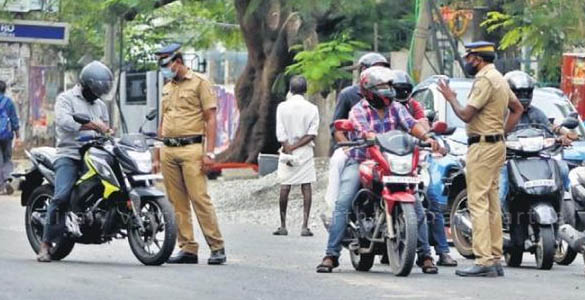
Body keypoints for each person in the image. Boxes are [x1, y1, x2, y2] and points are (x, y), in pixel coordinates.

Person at [316, 66, 443, 273]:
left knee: (418, 202)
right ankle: (331, 255)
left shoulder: (397, 108)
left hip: (393, 161)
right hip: (362, 160)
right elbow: (363, 130)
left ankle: (426, 255)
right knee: (343, 201)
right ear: (369, 90)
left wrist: (427, 138)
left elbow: (412, 125)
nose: (388, 90)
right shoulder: (358, 110)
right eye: (382, 86)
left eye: (389, 85)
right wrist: (368, 137)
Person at [438, 41, 524, 277]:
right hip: (496, 145)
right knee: (491, 201)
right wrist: (502, 133)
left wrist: (450, 97)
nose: (467, 62)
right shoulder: (499, 77)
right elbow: (517, 109)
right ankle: (494, 257)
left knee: (477, 201)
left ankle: (484, 260)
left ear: (477, 58)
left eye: (469, 58)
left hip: (482, 147)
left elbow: (466, 115)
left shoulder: (485, 79)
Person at [154, 43, 226, 265]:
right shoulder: (167, 87)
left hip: (192, 148)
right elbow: (163, 120)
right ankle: (187, 248)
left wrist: (210, 153)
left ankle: (217, 247)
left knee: (199, 199)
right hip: (168, 149)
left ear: (178, 61)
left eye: (166, 63)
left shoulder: (200, 82)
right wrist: (157, 154)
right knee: (176, 202)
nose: (164, 68)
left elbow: (211, 118)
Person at [37, 61, 114, 262]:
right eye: (95, 90)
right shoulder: (66, 99)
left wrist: (108, 131)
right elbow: (64, 122)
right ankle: (45, 244)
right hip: (70, 154)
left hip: (96, 153)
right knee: (61, 196)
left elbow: (105, 127)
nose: (97, 95)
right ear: (86, 85)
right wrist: (92, 126)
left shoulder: (100, 105)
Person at [393, 70, 458, 267]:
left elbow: (423, 126)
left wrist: (431, 139)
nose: (401, 94)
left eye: (404, 90)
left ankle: (442, 251)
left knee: (432, 201)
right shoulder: (383, 108)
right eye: (397, 90)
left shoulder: (414, 106)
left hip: (415, 164)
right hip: (390, 163)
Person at [323, 53, 390, 226]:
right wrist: (346, 147)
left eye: (383, 69)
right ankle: (333, 210)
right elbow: (336, 127)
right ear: (363, 71)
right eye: (375, 69)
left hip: (383, 149)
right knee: (338, 161)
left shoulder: (390, 95)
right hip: (355, 146)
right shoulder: (349, 95)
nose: (380, 73)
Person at [499, 70, 577, 212]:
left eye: (527, 92)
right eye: (518, 93)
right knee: (502, 181)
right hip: (508, 159)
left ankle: (565, 199)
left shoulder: (536, 113)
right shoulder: (500, 113)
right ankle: (497, 215)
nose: (523, 97)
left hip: (536, 158)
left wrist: (563, 136)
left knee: (562, 167)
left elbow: (550, 128)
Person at [273, 76, 319, 236]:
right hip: (304, 151)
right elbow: (312, 134)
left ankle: (283, 225)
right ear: (305, 90)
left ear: (291, 90)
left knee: (285, 186)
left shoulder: (282, 107)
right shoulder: (312, 108)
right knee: (306, 186)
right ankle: (305, 226)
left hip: (286, 150)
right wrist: (296, 147)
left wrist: (288, 148)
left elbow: (280, 132)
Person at [0, 80, 20, 195]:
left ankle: (1, 186)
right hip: (7, 134)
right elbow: (14, 119)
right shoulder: (9, 102)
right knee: (7, 158)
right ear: (5, 89)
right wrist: (18, 135)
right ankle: (7, 178)